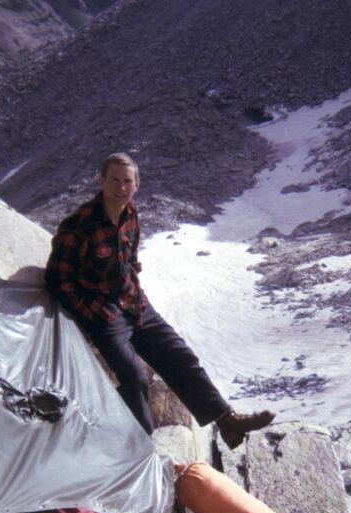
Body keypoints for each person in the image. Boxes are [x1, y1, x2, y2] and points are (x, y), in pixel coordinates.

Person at [45, 152, 275, 449]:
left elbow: (129, 260)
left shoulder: (130, 214)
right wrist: (92, 313)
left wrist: (136, 292)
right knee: (133, 377)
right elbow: (57, 280)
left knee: (180, 355)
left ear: (136, 184)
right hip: (104, 314)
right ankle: (142, 449)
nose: (121, 188)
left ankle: (227, 423)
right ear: (101, 181)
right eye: (114, 180)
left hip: (135, 304)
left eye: (127, 181)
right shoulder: (78, 225)